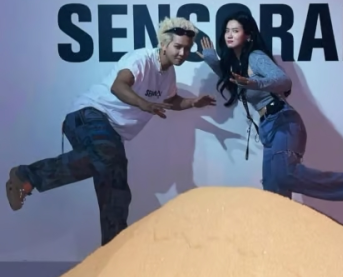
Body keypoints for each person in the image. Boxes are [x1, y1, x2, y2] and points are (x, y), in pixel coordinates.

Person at [5, 17, 216, 245]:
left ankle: (112, 249)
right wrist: (143, 104)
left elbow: (171, 100)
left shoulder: (168, 75)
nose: (183, 53)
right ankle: (27, 175)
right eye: (178, 47)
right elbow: (119, 86)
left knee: (115, 185)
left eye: (187, 48)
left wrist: (193, 102)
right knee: (110, 159)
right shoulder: (141, 59)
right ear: (164, 44)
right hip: (89, 115)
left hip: (110, 132)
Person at [197, 10, 343, 215]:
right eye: (227, 31)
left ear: (248, 35)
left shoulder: (256, 57)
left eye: (235, 30)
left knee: (284, 175)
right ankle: (278, 233)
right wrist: (212, 60)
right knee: (274, 192)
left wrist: (254, 82)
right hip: (267, 127)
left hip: (283, 121)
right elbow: (231, 81)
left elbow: (284, 81)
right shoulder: (238, 64)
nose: (229, 35)